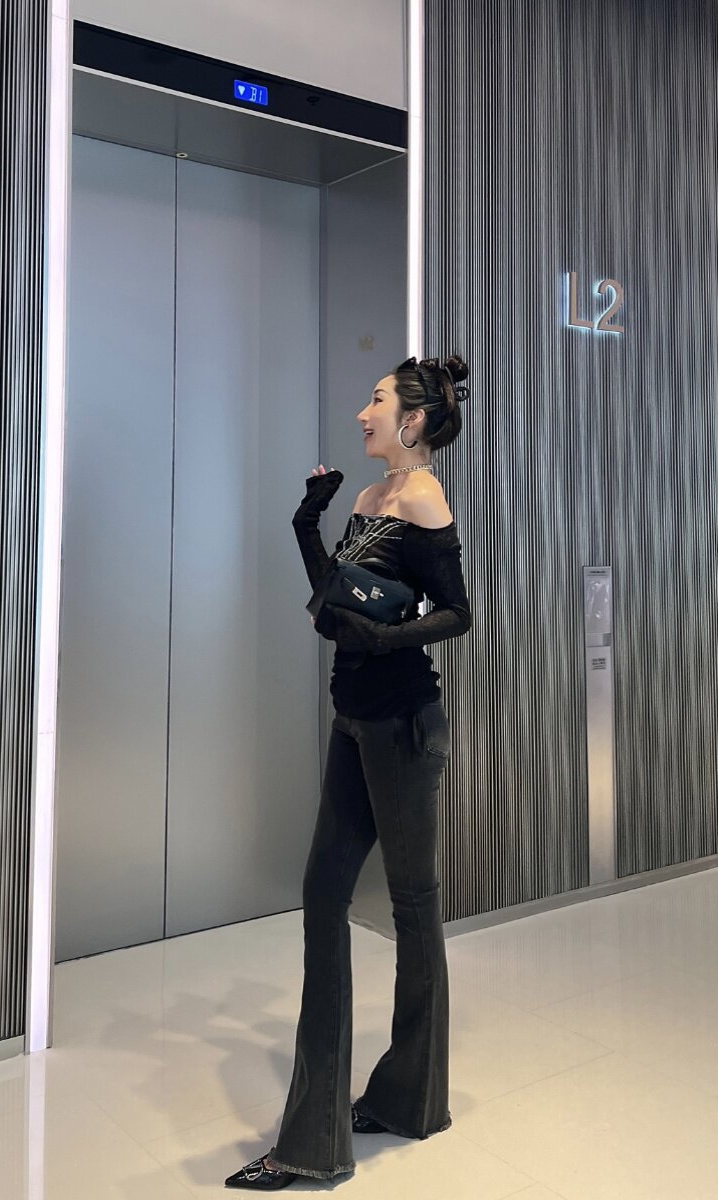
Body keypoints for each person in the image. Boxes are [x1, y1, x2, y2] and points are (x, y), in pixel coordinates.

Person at [224, 355, 472, 1191]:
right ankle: (331, 1125)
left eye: (377, 400)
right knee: (324, 896)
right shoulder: (368, 498)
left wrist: (390, 639)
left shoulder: (423, 497)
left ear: (412, 419)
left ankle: (402, 1100)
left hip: (405, 727)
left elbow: (458, 612)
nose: (363, 412)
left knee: (412, 907)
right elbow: (334, 597)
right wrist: (307, 521)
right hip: (353, 722)